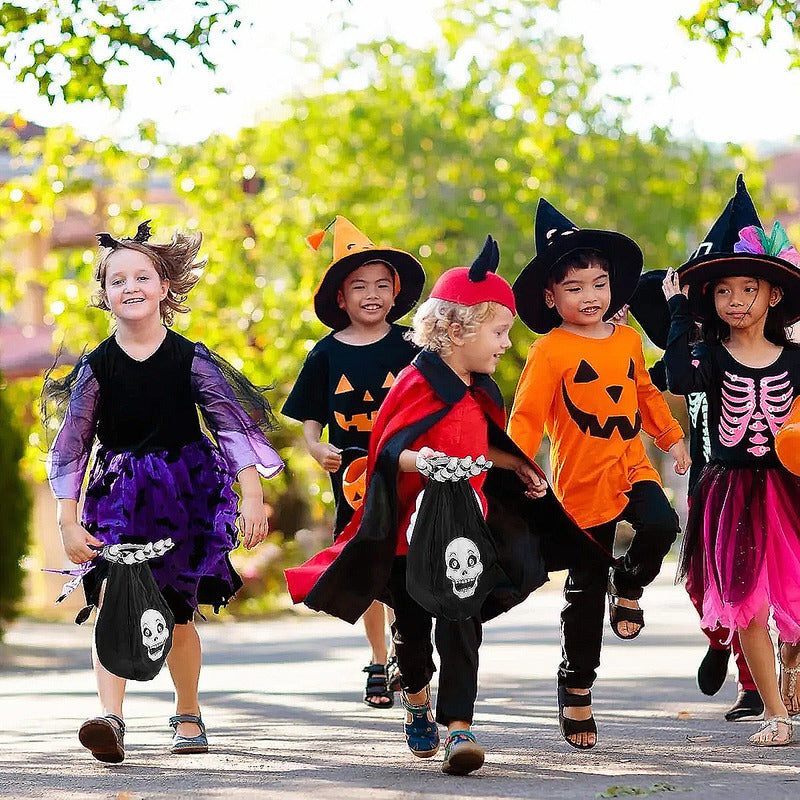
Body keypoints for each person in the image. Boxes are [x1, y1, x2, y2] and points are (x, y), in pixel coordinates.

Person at [285, 236, 607, 775]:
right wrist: (425, 461)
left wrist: (518, 467)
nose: (506, 343)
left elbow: (486, 443)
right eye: (499, 332)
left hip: (467, 532)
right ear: (458, 329)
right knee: (412, 632)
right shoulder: (415, 380)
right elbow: (388, 450)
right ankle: (415, 697)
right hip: (410, 535)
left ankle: (460, 727)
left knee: (462, 622)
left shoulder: (481, 387)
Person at [43, 221, 283, 763]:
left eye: (141, 276)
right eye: (117, 280)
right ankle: (112, 719)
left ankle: (188, 710)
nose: (130, 287)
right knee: (113, 605)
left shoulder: (190, 357)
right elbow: (71, 446)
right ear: (104, 295)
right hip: (117, 497)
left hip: (184, 497)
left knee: (176, 612)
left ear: (163, 286)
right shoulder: (96, 367)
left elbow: (232, 426)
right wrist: (67, 516)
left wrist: (250, 494)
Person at [508, 199, 689, 749]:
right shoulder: (550, 351)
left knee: (662, 525)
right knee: (583, 594)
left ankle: (630, 581)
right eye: (575, 288)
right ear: (550, 297)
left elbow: (642, 393)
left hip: (629, 463)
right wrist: (515, 466)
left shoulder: (628, 340)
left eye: (599, 284)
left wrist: (672, 438)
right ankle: (577, 686)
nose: (590, 297)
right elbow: (527, 416)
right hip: (579, 485)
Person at [662, 174, 800, 747]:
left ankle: (790, 680)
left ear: (773, 295)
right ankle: (774, 713)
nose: (736, 301)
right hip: (731, 491)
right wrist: (676, 314)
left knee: (795, 600)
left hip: (791, 489)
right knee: (747, 603)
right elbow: (674, 378)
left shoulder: (797, 357)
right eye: (723, 291)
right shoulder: (707, 356)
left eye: (748, 289)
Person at [282, 215, 425, 708]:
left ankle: (410, 654)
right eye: (359, 286)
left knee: (404, 564)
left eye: (382, 285)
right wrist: (315, 447)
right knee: (368, 567)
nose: (372, 294)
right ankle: (379, 658)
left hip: (407, 472)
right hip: (354, 480)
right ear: (340, 299)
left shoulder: (413, 346)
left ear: (395, 292)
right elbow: (309, 416)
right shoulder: (324, 354)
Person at [627, 270, 763, 722]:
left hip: (756, 484)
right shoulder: (684, 360)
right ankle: (717, 638)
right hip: (707, 486)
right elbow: (636, 386)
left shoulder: (738, 354)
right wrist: (618, 335)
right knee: (698, 581)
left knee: (747, 585)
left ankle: (751, 685)